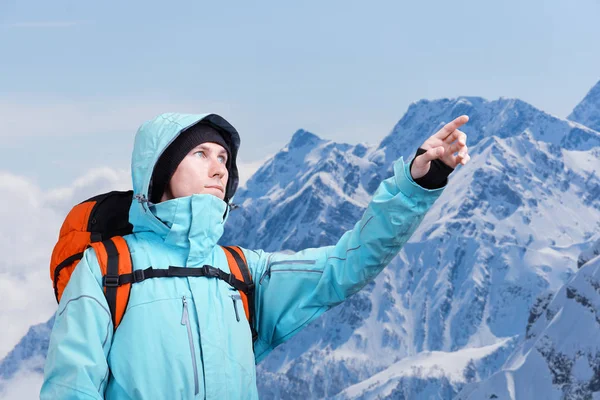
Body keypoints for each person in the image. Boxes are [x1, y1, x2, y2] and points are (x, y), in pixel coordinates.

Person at [41, 112, 470, 399]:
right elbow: (71, 387)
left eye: (224, 157)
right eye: (200, 154)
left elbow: (346, 265)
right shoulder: (107, 268)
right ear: (160, 170)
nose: (218, 168)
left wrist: (417, 185)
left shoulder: (241, 272)